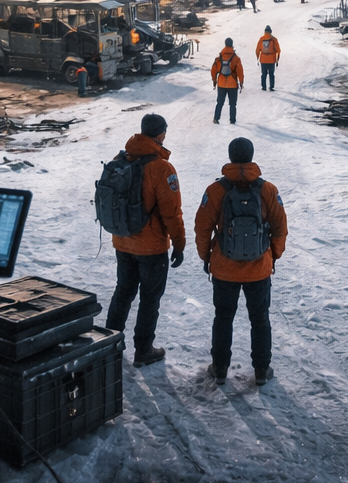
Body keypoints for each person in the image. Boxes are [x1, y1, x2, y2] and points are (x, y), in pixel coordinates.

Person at [194, 137, 288, 386]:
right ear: (252, 156)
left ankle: (220, 368)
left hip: (224, 269)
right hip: (259, 269)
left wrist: (207, 257)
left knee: (223, 317)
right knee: (260, 318)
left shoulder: (216, 190)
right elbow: (280, 228)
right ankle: (261, 370)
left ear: (230, 156)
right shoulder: (268, 190)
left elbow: (202, 228)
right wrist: (272, 256)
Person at [104, 114, 186, 367]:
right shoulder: (162, 168)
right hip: (151, 247)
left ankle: (109, 347)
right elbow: (171, 212)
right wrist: (180, 243)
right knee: (150, 298)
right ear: (161, 134)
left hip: (123, 241)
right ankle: (144, 350)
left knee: (123, 293)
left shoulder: (121, 160)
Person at [211, 37, 243, 125]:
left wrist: (214, 80)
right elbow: (240, 71)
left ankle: (216, 118)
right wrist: (241, 82)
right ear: (232, 45)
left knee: (220, 102)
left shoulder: (219, 58)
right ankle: (232, 120)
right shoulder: (236, 58)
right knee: (232, 104)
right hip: (232, 84)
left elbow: (213, 70)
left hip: (221, 84)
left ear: (225, 44)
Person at [255, 27, 280, 91]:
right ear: (270, 31)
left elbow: (257, 50)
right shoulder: (274, 39)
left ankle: (264, 87)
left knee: (264, 74)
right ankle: (271, 87)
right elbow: (278, 50)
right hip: (271, 60)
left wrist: (258, 57)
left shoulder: (261, 39)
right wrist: (277, 59)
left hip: (263, 59)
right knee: (271, 74)